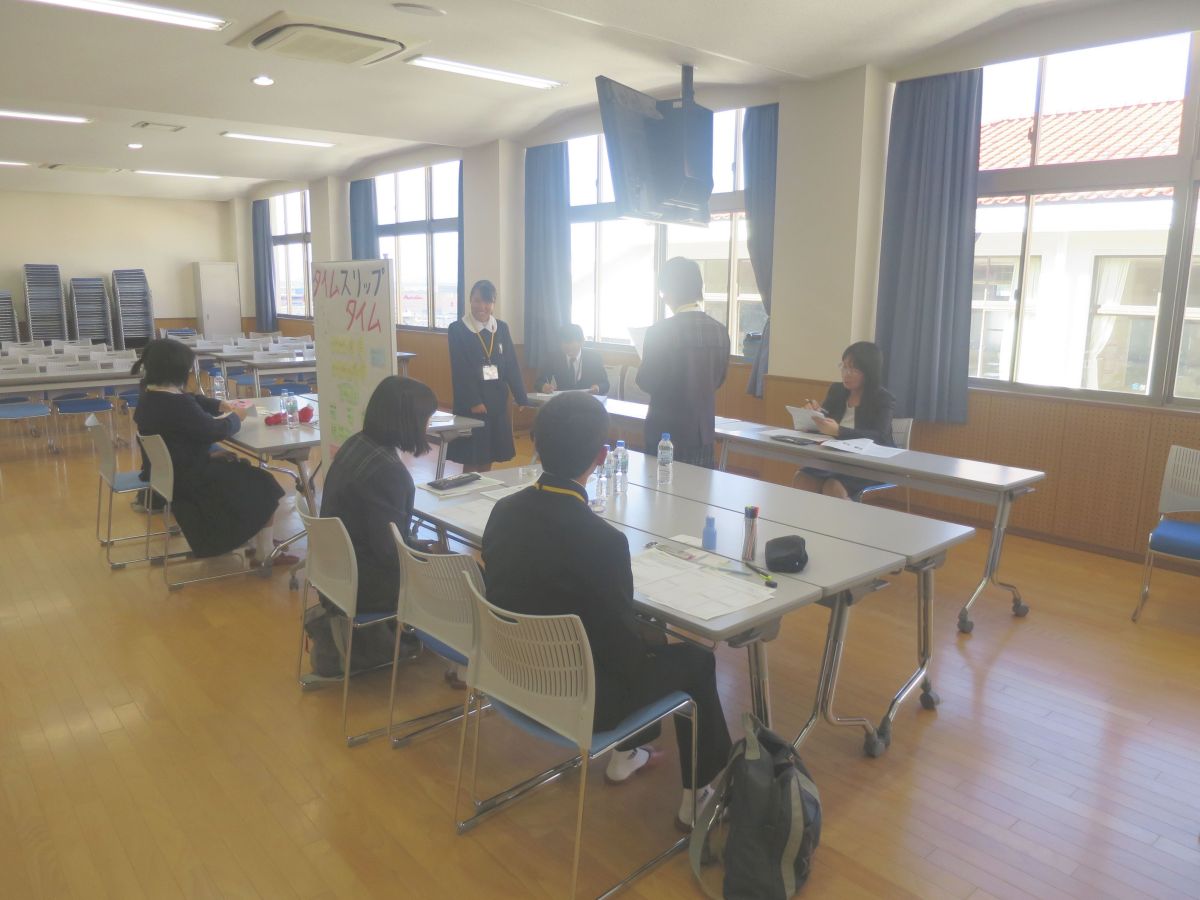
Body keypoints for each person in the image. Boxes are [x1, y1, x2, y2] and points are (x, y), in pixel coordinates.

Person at [482, 392, 732, 829]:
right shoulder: (603, 541)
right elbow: (625, 657)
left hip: (513, 675)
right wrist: (651, 638)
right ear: (601, 457)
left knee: (643, 634)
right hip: (582, 699)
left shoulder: (503, 512)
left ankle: (628, 754)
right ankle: (700, 795)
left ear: (535, 443)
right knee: (696, 660)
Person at [316, 376, 447, 679]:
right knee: (465, 576)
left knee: (439, 560)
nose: (428, 425)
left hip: (335, 572)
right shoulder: (388, 472)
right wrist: (426, 558)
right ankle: (462, 664)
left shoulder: (356, 444)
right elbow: (391, 554)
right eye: (426, 418)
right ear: (409, 421)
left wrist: (416, 548)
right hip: (363, 582)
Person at [132, 338, 291, 566]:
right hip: (189, 480)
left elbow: (190, 400)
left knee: (239, 466)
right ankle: (265, 552)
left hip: (169, 475)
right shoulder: (177, 406)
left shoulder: (150, 395)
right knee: (264, 482)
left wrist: (218, 405)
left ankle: (253, 541)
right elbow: (216, 430)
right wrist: (237, 417)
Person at [636, 257, 730, 467]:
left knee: (660, 485)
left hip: (665, 433)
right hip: (703, 433)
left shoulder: (660, 331)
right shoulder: (720, 331)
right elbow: (719, 379)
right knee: (699, 486)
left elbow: (646, 381)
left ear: (669, 291)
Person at [793, 340, 896, 500]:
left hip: (869, 464)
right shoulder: (837, 390)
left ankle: (845, 517)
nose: (846, 373)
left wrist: (839, 431)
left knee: (833, 486)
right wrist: (814, 415)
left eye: (853, 369)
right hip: (836, 459)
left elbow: (880, 436)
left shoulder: (883, 398)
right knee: (803, 478)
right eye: (844, 367)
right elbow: (825, 419)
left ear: (868, 372)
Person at [447, 279, 528, 472]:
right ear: (470, 300)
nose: (482, 307)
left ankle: (483, 488)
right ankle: (468, 488)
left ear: (493, 304)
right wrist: (474, 401)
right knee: (472, 454)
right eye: (477, 300)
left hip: (497, 400)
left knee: (490, 452)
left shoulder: (501, 328)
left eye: (487, 302)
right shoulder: (458, 329)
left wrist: (520, 396)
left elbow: (511, 364)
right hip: (472, 403)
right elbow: (460, 369)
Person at [535, 322, 609, 395]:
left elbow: (605, 384)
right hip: (563, 399)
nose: (569, 348)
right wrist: (543, 387)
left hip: (587, 399)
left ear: (582, 341)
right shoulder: (553, 358)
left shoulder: (594, 358)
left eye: (571, 344)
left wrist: (598, 387)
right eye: (565, 344)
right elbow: (538, 383)